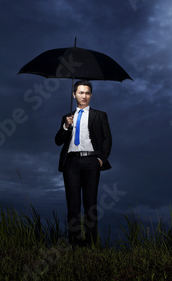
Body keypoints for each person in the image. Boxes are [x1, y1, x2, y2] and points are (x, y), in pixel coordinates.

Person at [55, 80, 112, 247]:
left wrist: (101, 159)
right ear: (74, 95)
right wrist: (66, 125)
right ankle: (74, 244)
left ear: (91, 95)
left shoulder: (100, 115)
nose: (84, 96)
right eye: (80, 92)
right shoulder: (67, 117)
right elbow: (58, 141)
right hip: (71, 162)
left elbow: (108, 138)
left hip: (91, 161)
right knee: (73, 205)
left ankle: (91, 244)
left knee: (90, 204)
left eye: (87, 92)